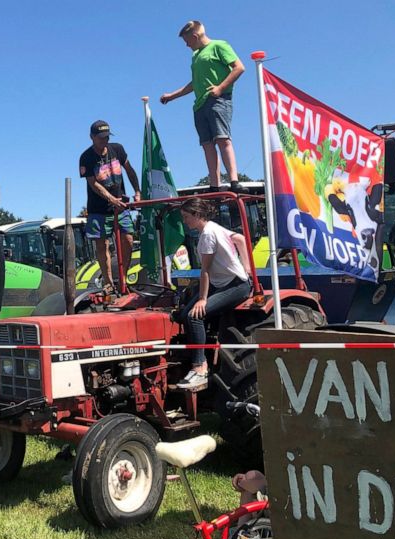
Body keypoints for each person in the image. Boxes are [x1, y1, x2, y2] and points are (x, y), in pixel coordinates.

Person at [160, 20, 245, 193]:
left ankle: (234, 181)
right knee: (207, 144)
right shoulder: (196, 56)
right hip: (199, 104)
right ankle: (215, 184)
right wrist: (172, 96)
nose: (186, 45)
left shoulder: (219, 46)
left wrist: (220, 88)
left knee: (222, 138)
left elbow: (239, 67)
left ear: (195, 36)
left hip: (218, 100)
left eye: (187, 41)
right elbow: (195, 83)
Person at [176, 198, 252, 389]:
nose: (185, 221)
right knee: (184, 314)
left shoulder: (207, 235)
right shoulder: (213, 227)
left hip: (236, 285)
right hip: (223, 283)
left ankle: (200, 367)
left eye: (186, 217)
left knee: (195, 316)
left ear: (197, 215)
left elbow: (205, 271)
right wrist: (248, 268)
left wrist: (202, 299)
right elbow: (239, 239)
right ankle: (198, 356)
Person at [79, 120, 140, 291]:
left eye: (106, 137)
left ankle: (123, 278)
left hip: (121, 206)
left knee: (128, 238)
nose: (104, 141)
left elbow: (129, 169)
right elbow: (94, 184)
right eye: (100, 138)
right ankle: (108, 282)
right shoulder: (86, 157)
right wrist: (111, 199)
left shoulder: (117, 149)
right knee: (102, 244)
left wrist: (137, 191)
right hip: (98, 209)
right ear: (92, 137)